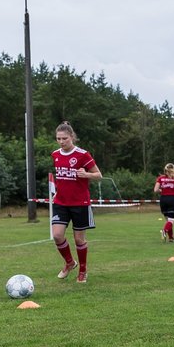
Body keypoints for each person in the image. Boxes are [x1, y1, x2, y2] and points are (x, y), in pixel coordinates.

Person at [50, 121, 102, 283]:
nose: (61, 141)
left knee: (79, 240)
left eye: (64, 138)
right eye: (58, 138)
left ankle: (83, 270)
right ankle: (70, 262)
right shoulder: (55, 154)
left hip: (80, 203)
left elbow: (98, 175)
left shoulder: (82, 155)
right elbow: (62, 177)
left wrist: (87, 175)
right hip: (61, 202)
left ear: (72, 137)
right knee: (57, 235)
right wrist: (58, 191)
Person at [155, 163, 174, 243]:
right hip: (172, 199)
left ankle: (171, 238)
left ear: (165, 170)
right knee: (171, 220)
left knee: (168, 220)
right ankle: (164, 230)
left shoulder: (160, 178)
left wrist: (162, 190)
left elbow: (155, 190)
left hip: (163, 199)